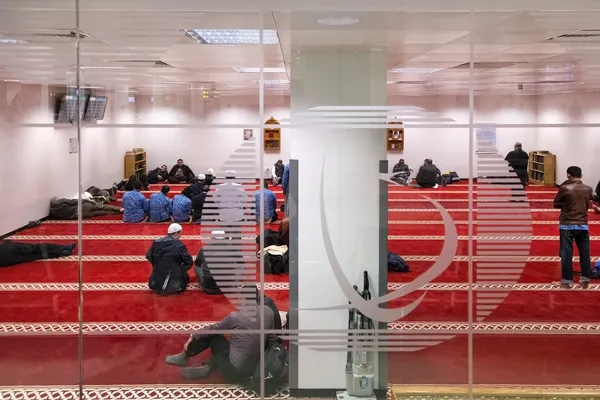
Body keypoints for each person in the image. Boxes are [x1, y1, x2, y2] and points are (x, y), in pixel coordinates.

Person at [164, 299, 275, 382]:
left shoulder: (236, 317)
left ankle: (188, 357)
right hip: (255, 368)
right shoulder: (269, 312)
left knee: (212, 335)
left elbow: (212, 329)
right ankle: (207, 365)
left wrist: (193, 336)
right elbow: (271, 340)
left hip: (233, 372)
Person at [552, 166, 594, 289]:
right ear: (581, 175)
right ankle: (585, 280)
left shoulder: (565, 188)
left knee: (566, 253)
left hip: (567, 225)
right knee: (585, 253)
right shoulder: (588, 189)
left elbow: (556, 204)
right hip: (583, 225)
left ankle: (566, 281)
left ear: (568, 175)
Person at [146, 223, 193, 295]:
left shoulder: (156, 242)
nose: (181, 236)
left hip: (155, 283)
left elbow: (148, 255)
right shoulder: (179, 245)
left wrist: (157, 265)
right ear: (176, 233)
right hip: (172, 284)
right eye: (180, 233)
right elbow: (189, 262)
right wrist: (180, 270)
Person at [194, 230, 242, 295]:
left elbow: (197, 265)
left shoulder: (204, 249)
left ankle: (203, 281)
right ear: (224, 238)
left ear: (212, 238)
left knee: (197, 266)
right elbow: (241, 264)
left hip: (208, 288)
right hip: (229, 287)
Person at [0, 241, 76, 267]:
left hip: (5, 261)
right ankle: (62, 248)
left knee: (34, 256)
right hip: (7, 250)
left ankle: (61, 252)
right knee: (35, 248)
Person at [49, 197, 123, 220]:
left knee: (101, 212)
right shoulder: (61, 201)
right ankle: (119, 209)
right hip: (84, 207)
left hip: (80, 215)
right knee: (102, 206)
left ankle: (117, 212)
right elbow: (75, 201)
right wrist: (88, 200)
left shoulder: (55, 212)